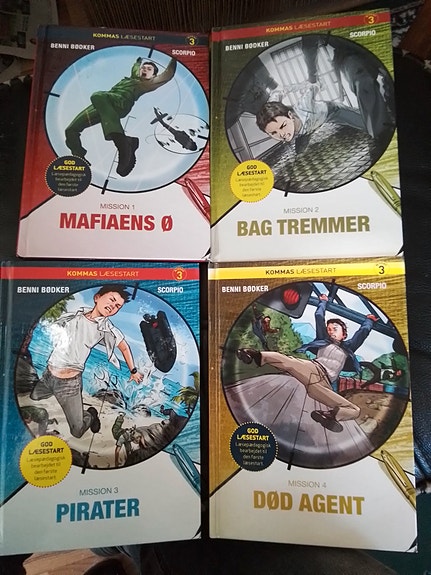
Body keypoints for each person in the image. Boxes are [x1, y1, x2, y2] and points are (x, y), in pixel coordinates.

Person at [237, 293, 378, 432]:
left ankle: (330, 416)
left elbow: (363, 332)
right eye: (329, 329)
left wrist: (369, 321)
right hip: (313, 369)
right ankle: (253, 355)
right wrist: (323, 302)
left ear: (344, 334)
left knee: (355, 410)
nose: (331, 332)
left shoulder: (349, 347)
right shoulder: (323, 339)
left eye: (335, 329)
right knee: (288, 361)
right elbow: (319, 316)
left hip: (323, 385)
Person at [29, 284, 143, 439]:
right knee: (33, 398)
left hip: (69, 384)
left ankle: (90, 415)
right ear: (97, 298)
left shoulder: (106, 328)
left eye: (118, 306)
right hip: (48, 375)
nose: (113, 306)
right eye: (112, 300)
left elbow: (124, 347)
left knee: (77, 431)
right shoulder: (76, 314)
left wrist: (133, 371)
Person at [65, 57, 177, 176]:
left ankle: (122, 144)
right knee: (71, 130)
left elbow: (167, 74)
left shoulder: (147, 83)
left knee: (97, 95)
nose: (144, 70)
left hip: (120, 103)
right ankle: (79, 157)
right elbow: (135, 69)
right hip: (103, 103)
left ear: (154, 75)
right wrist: (138, 62)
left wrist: (174, 57)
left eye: (149, 69)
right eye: (143, 68)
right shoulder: (133, 77)